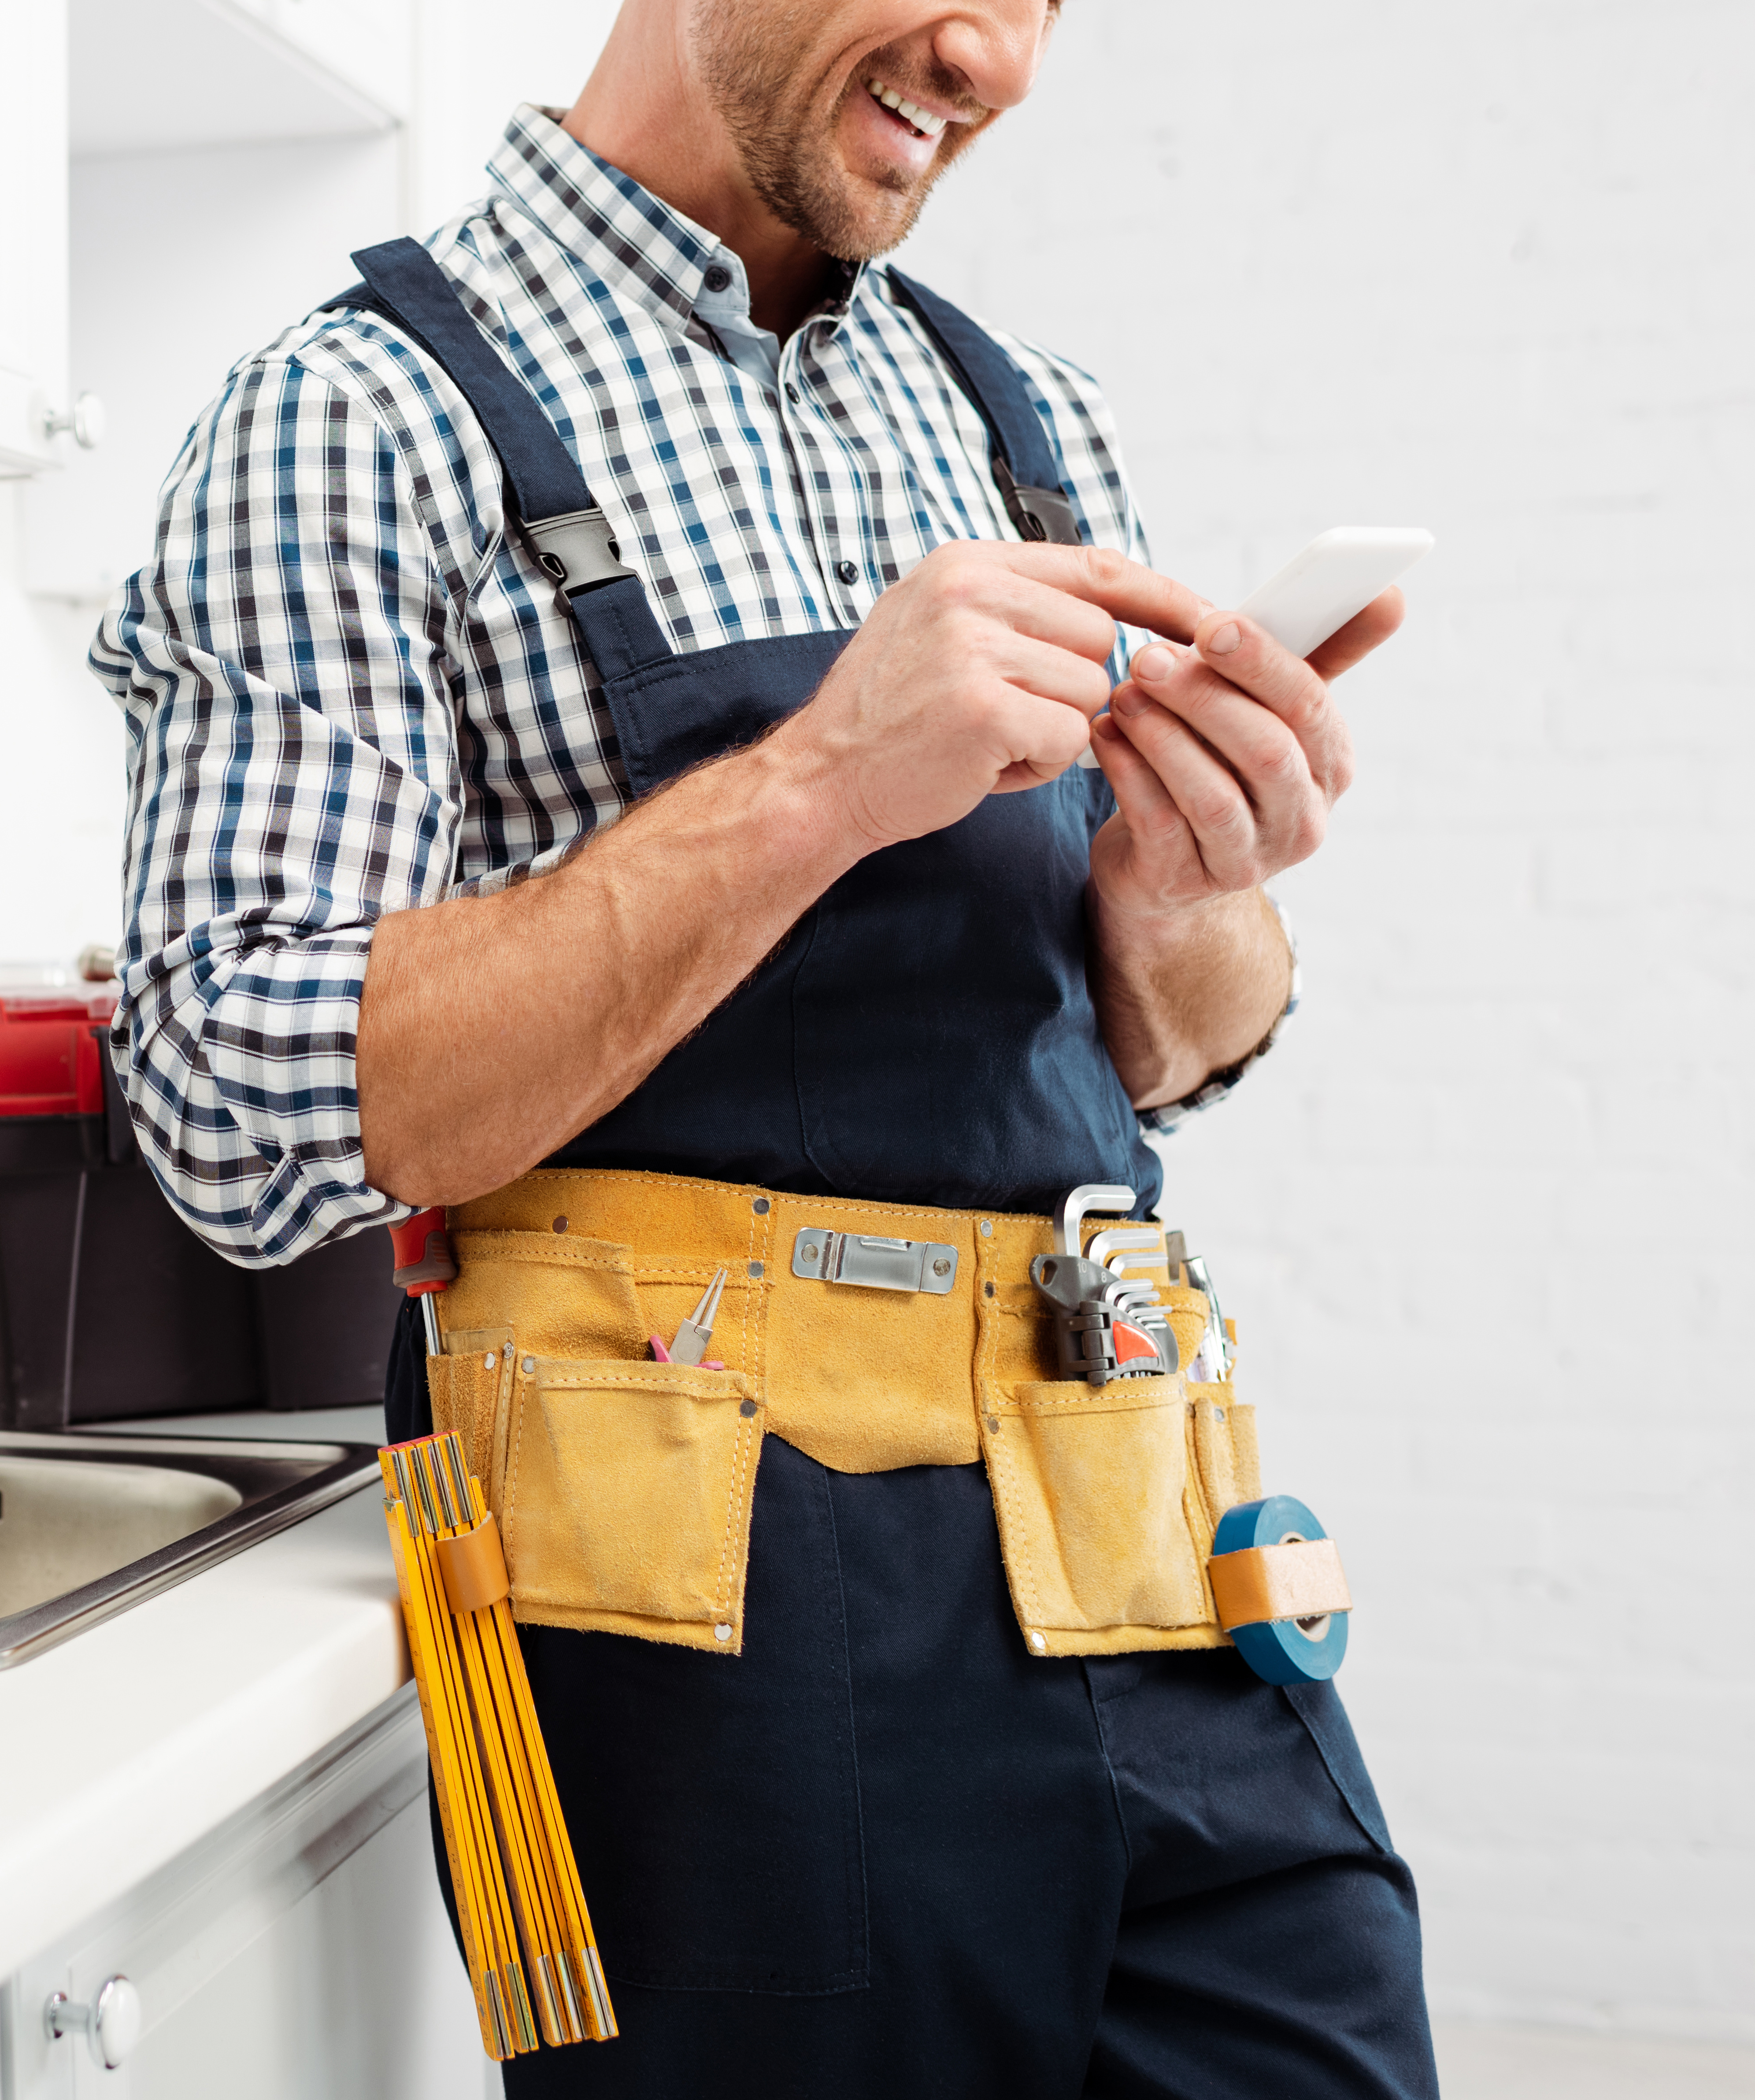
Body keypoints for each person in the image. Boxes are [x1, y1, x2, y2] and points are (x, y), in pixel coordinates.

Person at [90, 0, 1437, 2093]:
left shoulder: (1026, 420)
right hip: (719, 1631)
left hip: (1142, 1539)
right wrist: (819, 781)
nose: (988, 50)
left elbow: (1178, 1054)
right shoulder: (355, 420)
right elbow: (233, 1103)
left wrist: (1191, 887)